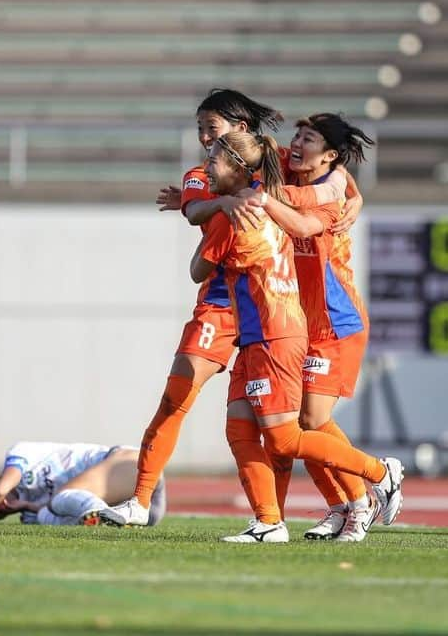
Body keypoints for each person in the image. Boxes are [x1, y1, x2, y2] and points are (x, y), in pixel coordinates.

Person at [185, 131, 403, 543]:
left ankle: (376, 475)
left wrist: (215, 210)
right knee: (242, 429)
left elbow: (198, 269)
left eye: (212, 157)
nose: (205, 164)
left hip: (285, 331)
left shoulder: (240, 211)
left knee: (291, 433)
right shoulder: (267, 197)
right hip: (262, 332)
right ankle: (271, 521)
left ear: (237, 165)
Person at [98, 89, 284, 529]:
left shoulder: (275, 177)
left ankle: (361, 489)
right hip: (221, 308)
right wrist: (222, 203)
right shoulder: (203, 175)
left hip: (272, 309)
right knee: (176, 399)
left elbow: (321, 185)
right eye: (200, 128)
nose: (204, 138)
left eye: (211, 128)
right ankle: (140, 500)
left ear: (240, 130)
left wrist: (347, 196)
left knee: (290, 426)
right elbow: (195, 209)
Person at [239, 113, 381, 542]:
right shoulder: (297, 172)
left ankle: (365, 495)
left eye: (310, 138)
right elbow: (251, 157)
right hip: (300, 323)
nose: (297, 143)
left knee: (312, 418)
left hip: (336, 324)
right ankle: (340, 506)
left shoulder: (329, 194)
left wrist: (263, 198)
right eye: (298, 134)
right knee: (297, 426)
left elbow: (304, 220)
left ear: (331, 156)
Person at [0, 441, 166, 527]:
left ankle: (102, 516)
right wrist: (28, 507)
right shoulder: (30, 515)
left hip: (131, 465)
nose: (1, 507)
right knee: (45, 515)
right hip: (148, 511)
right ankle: (109, 518)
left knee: (62, 496)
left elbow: (0, 489)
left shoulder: (18, 453)